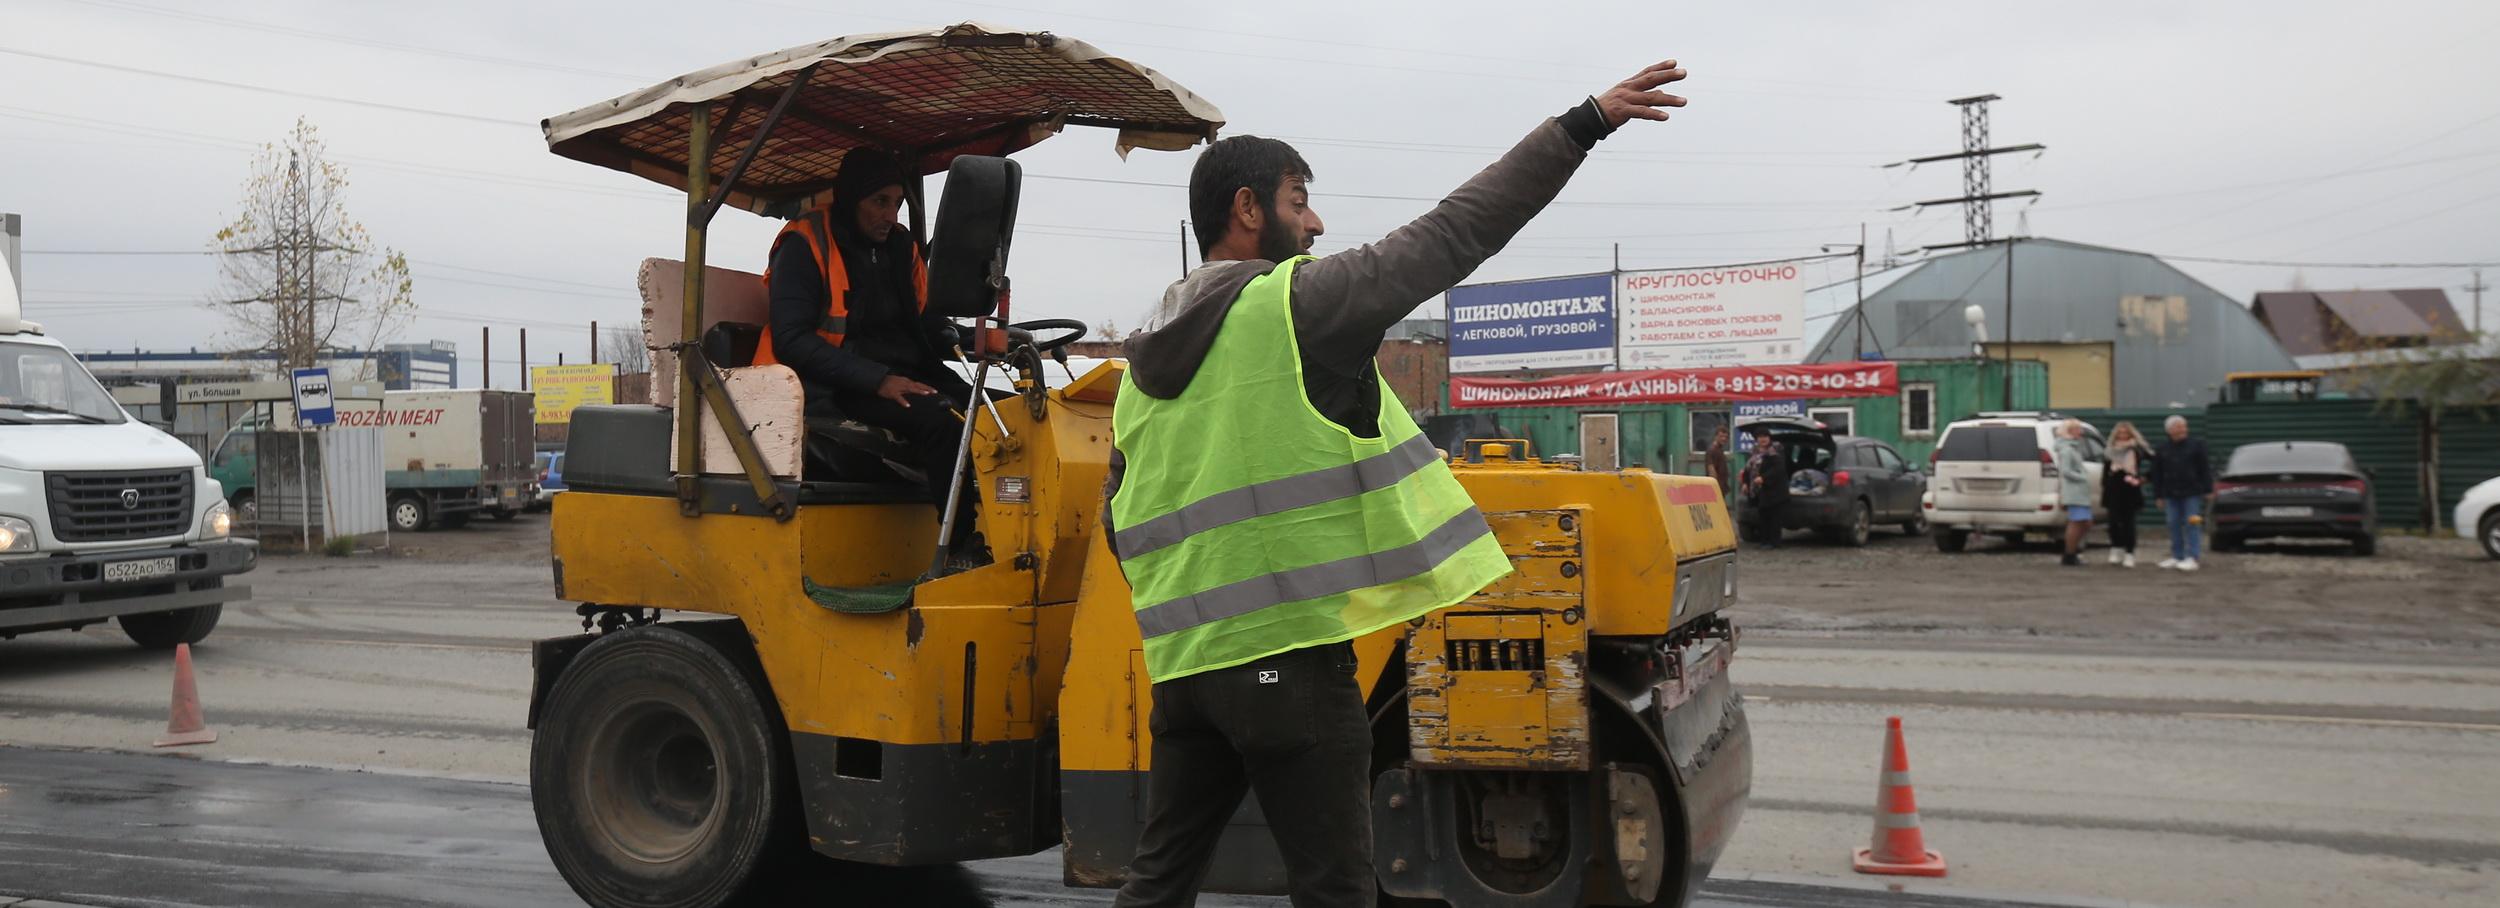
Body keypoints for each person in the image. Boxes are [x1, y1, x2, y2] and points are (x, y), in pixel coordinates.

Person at [1103, 61, 1690, 908]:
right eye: (1299, 200)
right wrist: (1583, 123)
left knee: (1157, 883)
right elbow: (1457, 231)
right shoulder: (1292, 306)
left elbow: (1118, 520)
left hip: (1187, 674)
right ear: (1247, 210)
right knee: (1336, 890)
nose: (1315, 223)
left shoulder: (1138, 370)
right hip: (1290, 668)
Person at [758, 148, 987, 569]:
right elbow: (792, 340)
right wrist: (877, 379)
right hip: (832, 384)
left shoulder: (900, 247)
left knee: (1000, 411)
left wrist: (975, 338)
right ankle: (960, 549)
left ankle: (1011, 529)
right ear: (850, 197)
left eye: (897, 203)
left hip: (904, 372)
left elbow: (923, 319)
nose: (891, 215)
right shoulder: (804, 245)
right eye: (880, 202)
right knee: (945, 421)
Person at [2147, 414, 2214, 571]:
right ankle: (2177, 556)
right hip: (2170, 493)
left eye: (2184, 426)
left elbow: (2205, 469)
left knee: (2193, 523)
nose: (2182, 429)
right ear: (2169, 430)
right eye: (2178, 427)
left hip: (2192, 492)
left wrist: (2208, 489)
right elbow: (2157, 473)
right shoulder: (2162, 448)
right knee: (2173, 524)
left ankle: (2193, 557)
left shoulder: (2197, 445)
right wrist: (2158, 495)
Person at [2103, 421, 2152, 567]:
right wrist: (2105, 485)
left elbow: (2155, 461)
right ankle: (2116, 547)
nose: (2123, 436)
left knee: (2128, 522)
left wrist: (2145, 478)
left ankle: (2129, 553)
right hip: (2113, 488)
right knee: (2113, 522)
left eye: (2126, 433)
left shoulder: (2137, 449)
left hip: (2130, 488)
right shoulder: (2110, 450)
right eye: (2120, 433)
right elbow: (2105, 471)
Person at [2054, 418, 2094, 567]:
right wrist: (2083, 477)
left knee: (2085, 522)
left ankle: (2074, 551)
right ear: (2070, 432)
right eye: (2078, 429)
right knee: (2077, 522)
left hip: (2080, 492)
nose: (2081, 432)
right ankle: (2069, 554)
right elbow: (2066, 471)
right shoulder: (2067, 450)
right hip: (2075, 492)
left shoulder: (2073, 447)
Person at [1746, 425, 1789, 550]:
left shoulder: (1775, 450)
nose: (1762, 439)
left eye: (1765, 436)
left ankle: (1774, 542)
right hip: (1760, 490)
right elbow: (1749, 469)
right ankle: (1764, 541)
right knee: (1763, 516)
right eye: (1760, 437)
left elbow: (1778, 469)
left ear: (1769, 438)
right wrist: (1745, 483)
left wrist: (1764, 478)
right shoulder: (1754, 451)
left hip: (1775, 490)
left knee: (1774, 517)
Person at [1704, 425, 1733, 499]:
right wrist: (1715, 486)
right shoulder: (1712, 450)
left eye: (1726, 437)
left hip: (1721, 486)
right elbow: (1711, 469)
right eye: (1721, 436)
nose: (1724, 439)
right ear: (1715, 436)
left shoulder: (1720, 450)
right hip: (1716, 488)